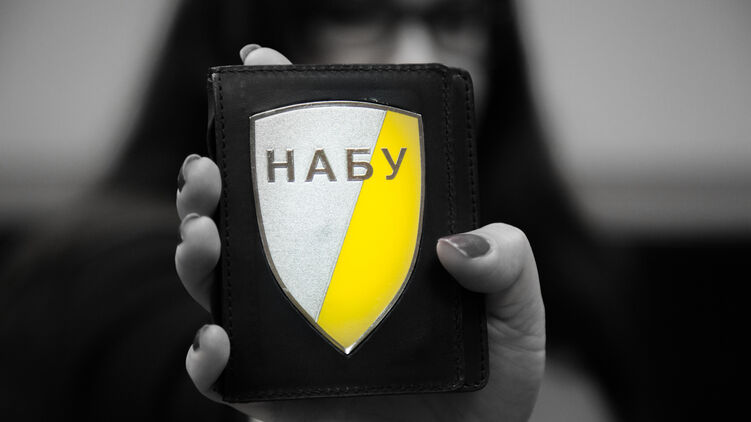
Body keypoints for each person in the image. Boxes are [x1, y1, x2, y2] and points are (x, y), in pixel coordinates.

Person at [1, 0, 641, 420]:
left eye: (456, 17)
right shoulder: (121, 285)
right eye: (354, 11)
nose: (415, 55)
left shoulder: (564, 270)